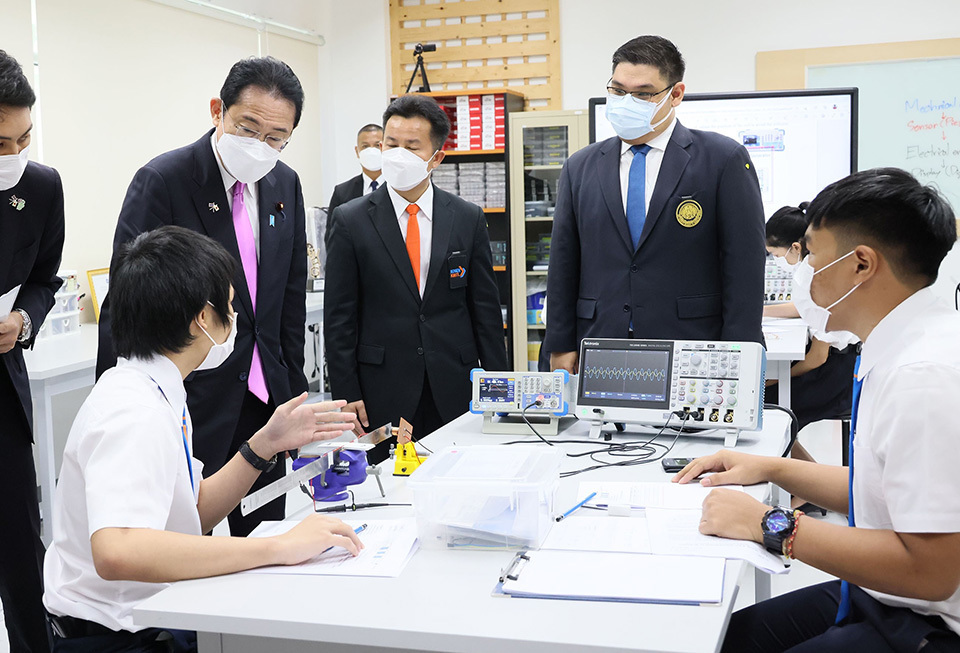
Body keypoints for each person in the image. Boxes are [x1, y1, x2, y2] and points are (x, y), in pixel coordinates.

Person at [675, 168, 960, 652]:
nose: (800, 270)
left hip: (927, 623)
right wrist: (769, 468)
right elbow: (879, 491)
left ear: (861, 264)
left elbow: (932, 572)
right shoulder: (901, 343)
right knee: (731, 638)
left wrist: (766, 524)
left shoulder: (923, 377)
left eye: (811, 253)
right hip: (886, 597)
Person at [44, 226, 360, 652]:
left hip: (147, 619)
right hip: (115, 637)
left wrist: (264, 443)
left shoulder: (158, 388)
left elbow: (190, 513)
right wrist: (277, 548)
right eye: (230, 307)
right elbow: (118, 550)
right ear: (202, 319)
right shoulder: (134, 412)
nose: (234, 321)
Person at [96, 56, 310, 536]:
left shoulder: (284, 184)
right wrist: (120, 401)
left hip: (262, 401)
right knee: (186, 545)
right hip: (192, 401)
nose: (261, 146)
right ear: (218, 110)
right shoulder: (165, 180)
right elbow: (124, 304)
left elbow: (285, 302)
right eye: (248, 128)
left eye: (276, 138)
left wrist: (291, 393)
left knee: (264, 546)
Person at [545, 35, 765, 374]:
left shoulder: (722, 160)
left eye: (643, 94)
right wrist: (559, 344)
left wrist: (740, 354)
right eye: (617, 91)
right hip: (601, 340)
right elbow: (563, 263)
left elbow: (745, 268)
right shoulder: (581, 166)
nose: (625, 102)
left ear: (675, 94)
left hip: (692, 344)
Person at [324, 94, 507, 450]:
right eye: (391, 144)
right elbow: (339, 317)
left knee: (461, 476)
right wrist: (346, 393)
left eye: (412, 147)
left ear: (436, 157)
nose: (397, 155)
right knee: (391, 490)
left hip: (455, 382)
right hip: (381, 386)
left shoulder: (466, 217)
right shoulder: (350, 219)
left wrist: (499, 385)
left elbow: (484, 308)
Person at [0, 50, 64, 653]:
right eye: (0, 143)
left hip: (3, 398)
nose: (14, 157)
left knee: (22, 553)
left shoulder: (40, 187)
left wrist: (22, 319)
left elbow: (46, 277)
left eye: (24, 138)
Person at [326, 123, 384, 220]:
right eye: (365, 146)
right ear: (357, 151)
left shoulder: (399, 188)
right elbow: (332, 233)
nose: (371, 151)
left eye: (377, 145)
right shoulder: (342, 192)